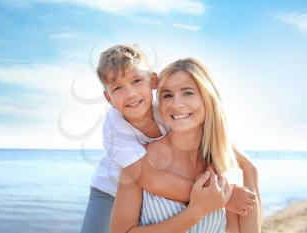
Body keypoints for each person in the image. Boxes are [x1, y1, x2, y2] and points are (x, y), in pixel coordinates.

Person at [80, 45, 260, 233]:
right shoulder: (115, 128)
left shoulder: (163, 110)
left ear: (153, 82)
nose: (131, 94)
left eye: (136, 81)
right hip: (107, 189)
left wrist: (248, 167)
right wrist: (224, 197)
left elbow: (213, 135)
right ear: (108, 98)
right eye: (118, 88)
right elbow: (150, 179)